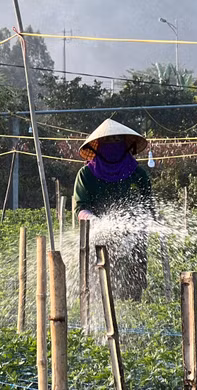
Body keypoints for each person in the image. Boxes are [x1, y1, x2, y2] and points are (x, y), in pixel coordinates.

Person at [73, 119, 154, 300]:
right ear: (97, 146)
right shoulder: (86, 175)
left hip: (133, 240)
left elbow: (148, 207)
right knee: (99, 285)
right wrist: (95, 221)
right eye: (107, 141)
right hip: (98, 239)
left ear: (125, 145)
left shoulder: (137, 174)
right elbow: (80, 207)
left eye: (116, 140)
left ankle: (134, 304)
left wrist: (135, 231)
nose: (112, 145)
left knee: (132, 289)